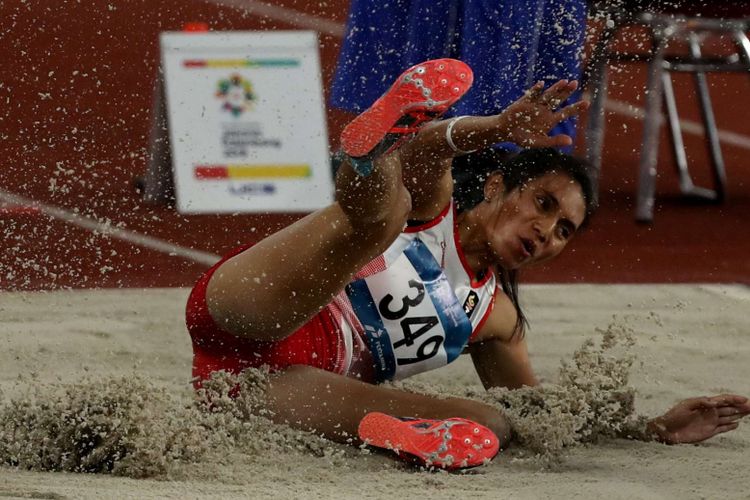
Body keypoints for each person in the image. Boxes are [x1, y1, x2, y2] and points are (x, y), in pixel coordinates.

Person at [186, 59, 750, 470]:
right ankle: (370, 154)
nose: (545, 232)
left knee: (497, 423)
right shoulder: (438, 210)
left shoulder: (496, 317)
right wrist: (496, 130)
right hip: (249, 306)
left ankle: (390, 430)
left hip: (268, 387)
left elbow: (545, 417)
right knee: (389, 212)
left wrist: (654, 429)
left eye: (563, 231)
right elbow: (432, 149)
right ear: (500, 184)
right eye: (544, 205)